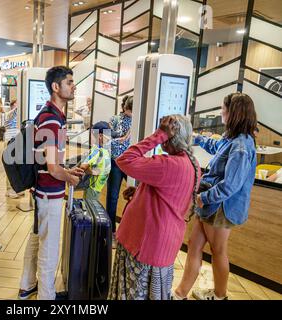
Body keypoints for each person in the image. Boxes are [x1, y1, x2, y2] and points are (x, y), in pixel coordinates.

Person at [174, 93, 257, 301]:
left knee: (218, 250)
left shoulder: (241, 146)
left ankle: (220, 295)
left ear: (233, 113)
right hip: (210, 202)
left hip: (221, 206)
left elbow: (231, 185)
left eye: (224, 108)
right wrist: (195, 138)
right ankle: (180, 293)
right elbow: (215, 147)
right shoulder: (231, 139)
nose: (221, 111)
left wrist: (204, 197)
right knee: (194, 244)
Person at [108, 115, 200, 300]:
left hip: (145, 246)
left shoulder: (169, 164)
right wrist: (142, 191)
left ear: (168, 138)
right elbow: (170, 197)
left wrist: (158, 135)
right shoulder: (191, 163)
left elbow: (125, 159)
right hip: (161, 246)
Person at [18, 66, 84, 300]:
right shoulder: (51, 120)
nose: (73, 85)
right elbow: (54, 169)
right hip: (49, 192)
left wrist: (66, 170)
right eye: (69, 82)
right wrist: (70, 176)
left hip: (41, 190)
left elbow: (51, 163)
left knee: (38, 236)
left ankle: (27, 285)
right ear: (56, 87)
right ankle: (47, 296)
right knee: (50, 246)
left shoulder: (50, 115)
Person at [106, 95, 133, 248]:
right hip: (116, 162)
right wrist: (119, 137)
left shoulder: (139, 119)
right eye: (129, 111)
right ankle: (111, 233)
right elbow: (103, 136)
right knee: (113, 197)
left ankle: (128, 231)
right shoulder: (115, 119)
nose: (131, 115)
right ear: (124, 108)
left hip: (132, 163)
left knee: (136, 195)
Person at [79, 121, 111, 200]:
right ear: (100, 136)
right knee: (90, 209)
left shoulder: (104, 150)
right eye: (108, 135)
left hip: (97, 189)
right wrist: (92, 172)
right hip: (92, 189)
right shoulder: (96, 151)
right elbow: (83, 166)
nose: (110, 138)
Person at [3, 99, 24, 198]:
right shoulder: (10, 114)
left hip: (18, 141)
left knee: (17, 166)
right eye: (16, 103)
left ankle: (16, 187)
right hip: (10, 141)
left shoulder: (19, 115)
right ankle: (10, 189)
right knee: (10, 167)